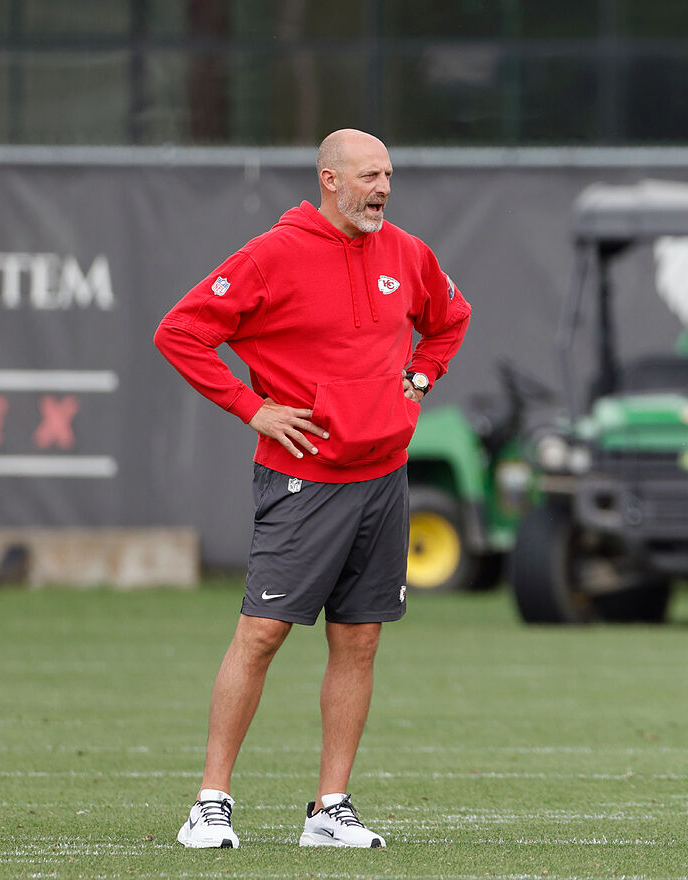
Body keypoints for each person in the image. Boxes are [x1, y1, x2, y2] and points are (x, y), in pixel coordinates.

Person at [155, 128, 471, 849]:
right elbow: (180, 332)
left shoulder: (407, 252)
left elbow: (451, 320)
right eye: (368, 176)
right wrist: (252, 408)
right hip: (303, 479)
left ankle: (330, 810)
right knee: (262, 634)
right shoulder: (273, 254)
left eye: (388, 174)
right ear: (329, 179)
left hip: (384, 477)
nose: (382, 188)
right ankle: (211, 803)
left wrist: (421, 377)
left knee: (358, 640)